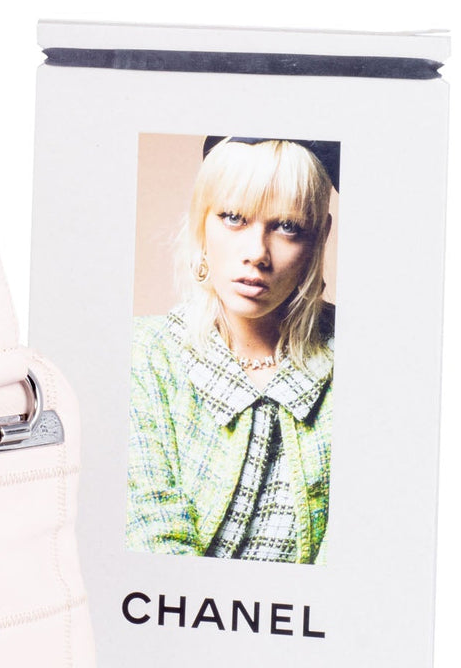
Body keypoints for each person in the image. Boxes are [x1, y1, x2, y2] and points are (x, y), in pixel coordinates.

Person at [127, 136, 338, 564]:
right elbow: (149, 543)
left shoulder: (367, 360)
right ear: (201, 222)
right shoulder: (145, 354)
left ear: (320, 236)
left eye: (287, 226)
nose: (257, 254)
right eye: (234, 218)